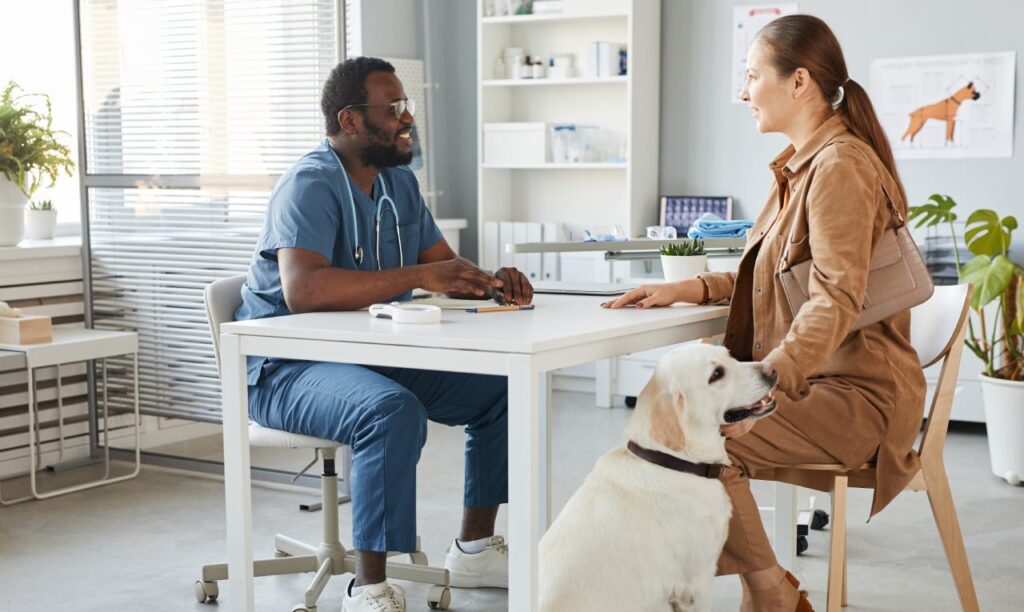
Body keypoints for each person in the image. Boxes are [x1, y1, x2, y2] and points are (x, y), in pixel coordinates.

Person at [605, 15, 925, 612]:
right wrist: (692, 289)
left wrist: (764, 391)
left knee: (693, 441)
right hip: (823, 381)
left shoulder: (838, 167)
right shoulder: (801, 167)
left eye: (752, 76)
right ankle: (768, 590)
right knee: (680, 435)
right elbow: (781, 276)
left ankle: (770, 593)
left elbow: (834, 298)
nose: (742, 90)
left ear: (798, 81)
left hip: (858, 397)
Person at [236, 56, 533, 612]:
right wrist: (422, 277)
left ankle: (472, 551)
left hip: (366, 354)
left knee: (500, 387)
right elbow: (305, 292)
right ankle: (369, 589)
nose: (407, 119)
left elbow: (442, 263)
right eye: (393, 108)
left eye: (407, 106)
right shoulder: (309, 184)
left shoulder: (399, 182)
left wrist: (491, 281)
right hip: (283, 367)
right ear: (350, 120)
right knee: (389, 411)